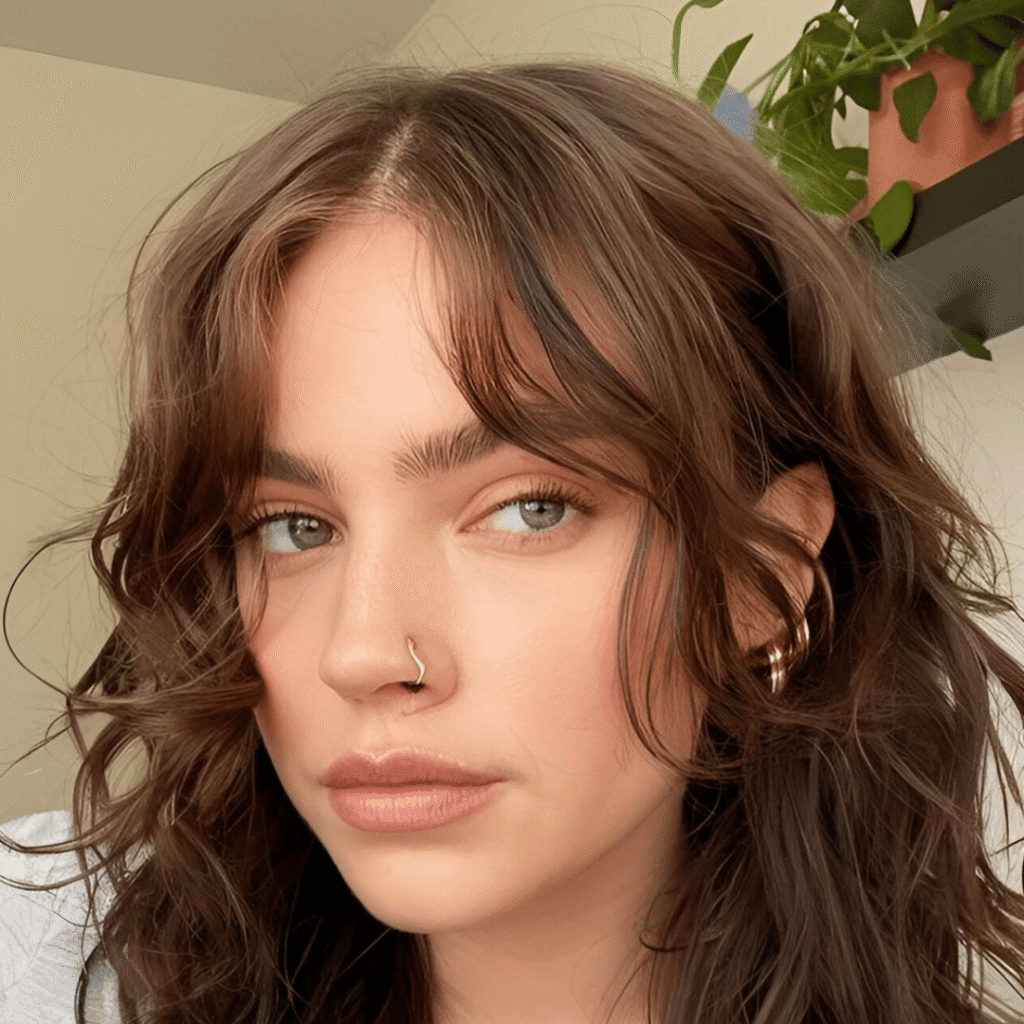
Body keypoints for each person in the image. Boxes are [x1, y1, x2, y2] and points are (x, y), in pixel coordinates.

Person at [2, 58, 1023, 1024]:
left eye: (529, 508)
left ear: (763, 575)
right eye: (291, 527)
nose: (361, 653)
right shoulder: (43, 948)